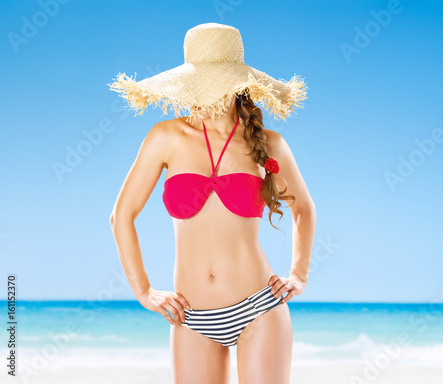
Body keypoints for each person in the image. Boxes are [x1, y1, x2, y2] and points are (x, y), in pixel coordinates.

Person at [108, 22, 316, 384]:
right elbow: (121, 216)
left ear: (236, 84)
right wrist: (143, 291)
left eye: (212, 82)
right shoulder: (166, 137)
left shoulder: (268, 144)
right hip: (191, 317)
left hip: (259, 308)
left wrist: (298, 275)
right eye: (195, 83)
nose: (200, 94)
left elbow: (304, 209)